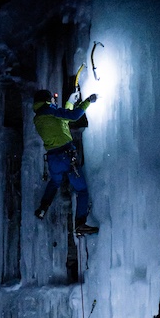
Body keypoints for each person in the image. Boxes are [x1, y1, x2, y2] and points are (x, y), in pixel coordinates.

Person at [32, 88, 99, 235]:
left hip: (53, 159)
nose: (55, 101)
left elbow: (62, 119)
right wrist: (87, 101)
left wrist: (70, 101)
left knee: (55, 182)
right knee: (81, 190)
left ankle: (43, 208)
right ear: (47, 100)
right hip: (66, 156)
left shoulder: (38, 117)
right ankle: (80, 224)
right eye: (53, 99)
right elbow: (73, 116)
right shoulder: (50, 110)